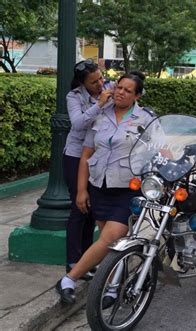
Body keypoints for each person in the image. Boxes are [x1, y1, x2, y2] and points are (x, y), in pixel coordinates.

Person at [56, 72, 156, 305]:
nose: (120, 92)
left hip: (129, 188)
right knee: (111, 245)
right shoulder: (101, 114)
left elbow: (159, 149)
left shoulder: (146, 118)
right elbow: (86, 155)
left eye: (127, 90)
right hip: (99, 186)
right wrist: (82, 190)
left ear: (137, 95)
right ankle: (112, 288)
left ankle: (69, 279)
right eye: (119, 87)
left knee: (112, 237)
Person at [63, 59, 115, 280]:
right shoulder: (74, 97)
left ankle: (86, 258)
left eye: (101, 78)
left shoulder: (111, 88)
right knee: (79, 206)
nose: (100, 84)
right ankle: (73, 261)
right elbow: (77, 123)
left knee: (93, 209)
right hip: (76, 156)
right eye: (94, 82)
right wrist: (99, 104)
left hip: (101, 156)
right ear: (83, 83)